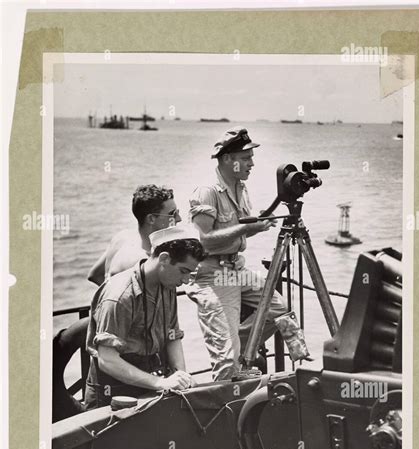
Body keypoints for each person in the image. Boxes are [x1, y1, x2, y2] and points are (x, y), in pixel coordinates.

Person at [186, 127, 287, 381]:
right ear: (228, 159)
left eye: (251, 158)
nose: (251, 163)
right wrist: (245, 227)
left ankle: (234, 347)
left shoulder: (241, 188)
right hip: (211, 274)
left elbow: (236, 235)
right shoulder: (206, 191)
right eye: (245, 158)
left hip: (236, 270)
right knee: (226, 363)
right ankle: (228, 364)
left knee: (279, 310)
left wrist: (257, 226)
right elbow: (204, 241)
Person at [84, 225, 205, 409]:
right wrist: (160, 383)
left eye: (191, 273)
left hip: (147, 379)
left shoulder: (168, 285)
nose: (186, 280)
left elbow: (172, 336)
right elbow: (107, 360)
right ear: (164, 258)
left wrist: (181, 376)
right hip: (112, 390)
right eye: (184, 271)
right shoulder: (120, 296)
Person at [87, 184, 182, 285]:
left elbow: (95, 275)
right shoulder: (145, 262)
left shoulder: (122, 237)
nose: (179, 218)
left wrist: (110, 293)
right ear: (151, 219)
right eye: (173, 214)